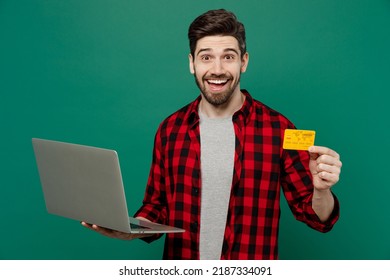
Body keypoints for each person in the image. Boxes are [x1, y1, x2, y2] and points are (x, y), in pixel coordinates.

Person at [82, 9, 342, 260]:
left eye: (228, 57)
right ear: (192, 63)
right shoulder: (170, 128)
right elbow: (157, 206)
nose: (217, 69)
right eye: (206, 57)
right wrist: (130, 230)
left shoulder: (280, 128)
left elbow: (317, 219)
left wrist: (321, 191)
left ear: (244, 61)